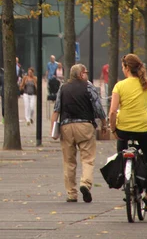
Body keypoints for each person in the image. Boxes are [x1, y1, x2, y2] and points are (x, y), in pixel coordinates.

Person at [109, 54, 147, 212]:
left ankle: (126, 180)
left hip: (123, 129)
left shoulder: (119, 86)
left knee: (121, 155)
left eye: (122, 67)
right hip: (142, 129)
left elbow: (112, 112)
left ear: (127, 68)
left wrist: (113, 129)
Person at [51, 64, 106, 203]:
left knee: (69, 161)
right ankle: (85, 184)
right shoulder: (88, 86)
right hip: (85, 125)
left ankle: (71, 193)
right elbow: (98, 107)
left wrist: (53, 129)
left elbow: (56, 109)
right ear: (81, 74)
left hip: (66, 127)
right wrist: (104, 123)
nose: (87, 75)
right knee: (87, 158)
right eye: (86, 72)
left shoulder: (63, 88)